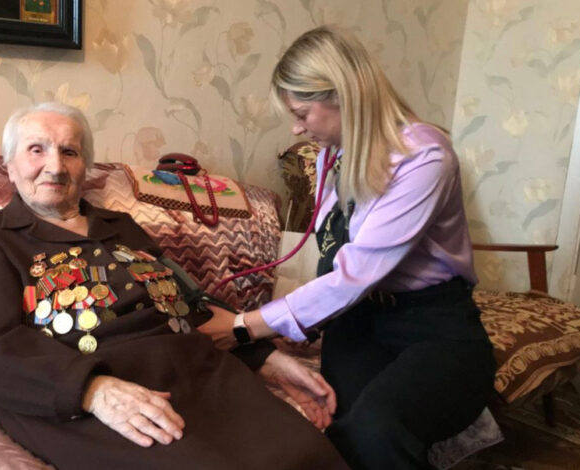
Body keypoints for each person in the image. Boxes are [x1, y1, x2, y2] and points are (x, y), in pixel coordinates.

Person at [0, 102, 347, 469]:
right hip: (96, 388)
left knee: (308, 454)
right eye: (36, 150)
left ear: (85, 166)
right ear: (10, 165)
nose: (55, 167)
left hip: (199, 370)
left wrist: (263, 358)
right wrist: (94, 391)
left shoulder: (120, 226)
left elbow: (188, 300)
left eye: (69, 152)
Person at [201, 26, 496, 469]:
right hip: (359, 320)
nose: (296, 128)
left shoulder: (424, 157)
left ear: (344, 94)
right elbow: (335, 254)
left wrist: (244, 327)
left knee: (376, 429)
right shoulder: (334, 154)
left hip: (432, 322)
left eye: (302, 113)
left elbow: (354, 273)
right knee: (342, 427)